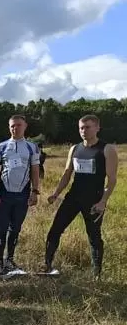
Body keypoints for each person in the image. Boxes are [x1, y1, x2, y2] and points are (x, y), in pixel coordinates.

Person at [44, 114, 118, 281]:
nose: (84, 131)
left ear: (97, 128)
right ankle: (47, 266)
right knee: (55, 230)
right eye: (81, 128)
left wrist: (103, 201)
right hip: (73, 197)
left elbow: (112, 179)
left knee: (94, 236)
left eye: (87, 127)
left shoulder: (107, 149)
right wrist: (56, 194)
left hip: (94, 200)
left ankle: (96, 275)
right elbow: (67, 173)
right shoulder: (75, 149)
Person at [0, 115, 40, 276]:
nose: (15, 128)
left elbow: (35, 170)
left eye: (18, 125)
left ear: (25, 126)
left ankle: (10, 259)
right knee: (1, 229)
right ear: (9, 127)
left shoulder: (32, 147)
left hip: (22, 195)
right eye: (12, 126)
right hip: (4, 194)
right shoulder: (1, 147)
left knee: (15, 229)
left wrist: (35, 191)